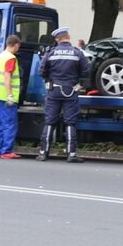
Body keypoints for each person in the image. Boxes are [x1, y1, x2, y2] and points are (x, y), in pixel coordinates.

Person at [36, 27, 91, 163]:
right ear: (69, 37)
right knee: (70, 122)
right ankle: (71, 154)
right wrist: (78, 82)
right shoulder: (77, 53)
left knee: (50, 121)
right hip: (71, 91)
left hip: (54, 91)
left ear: (57, 39)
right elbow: (86, 71)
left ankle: (43, 153)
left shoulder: (51, 53)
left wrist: (51, 79)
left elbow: (41, 71)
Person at [0, 34, 22, 159]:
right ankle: (6, 151)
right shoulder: (11, 58)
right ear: (16, 45)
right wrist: (10, 95)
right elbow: (7, 77)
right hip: (7, 97)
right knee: (9, 124)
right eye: (18, 47)